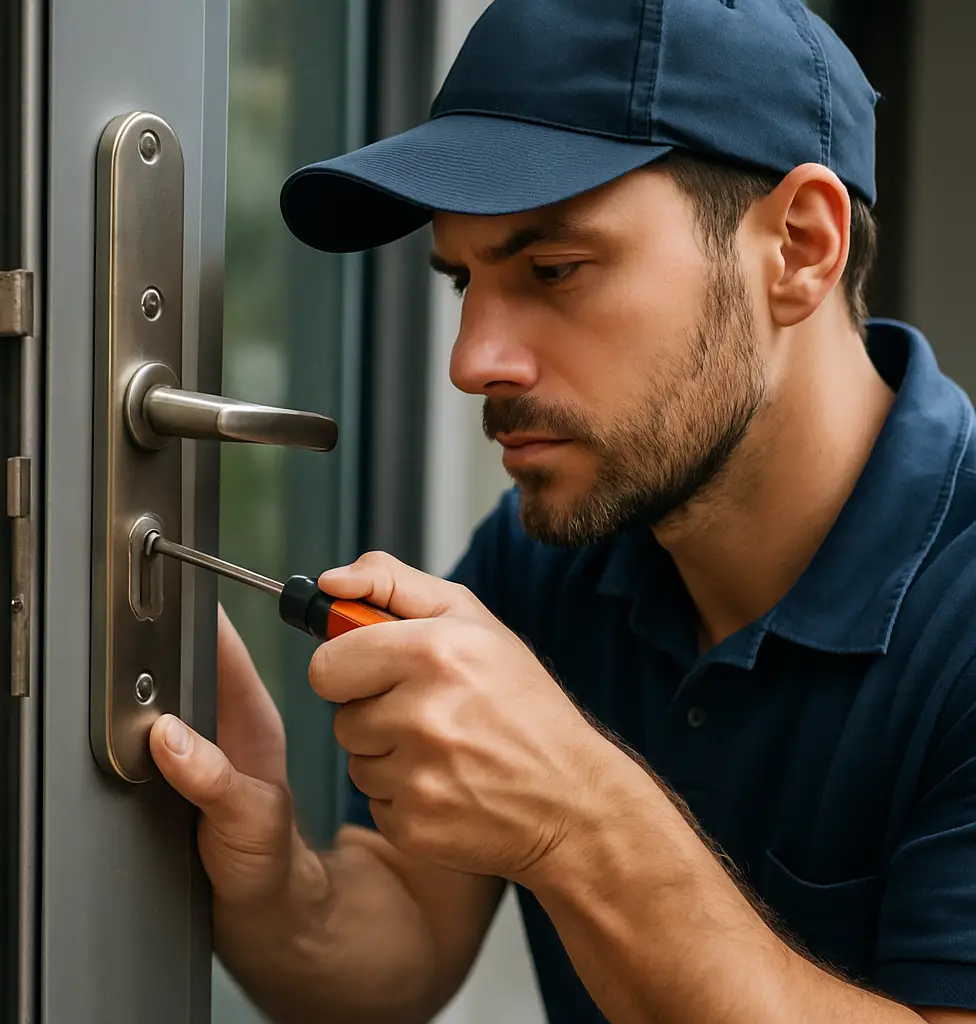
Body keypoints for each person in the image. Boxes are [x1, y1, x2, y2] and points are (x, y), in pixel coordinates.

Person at [150, 1, 976, 1021]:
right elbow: (400, 939)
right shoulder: (559, 553)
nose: (471, 363)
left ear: (799, 247)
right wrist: (272, 876)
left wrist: (582, 817)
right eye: (464, 282)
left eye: (553, 271)